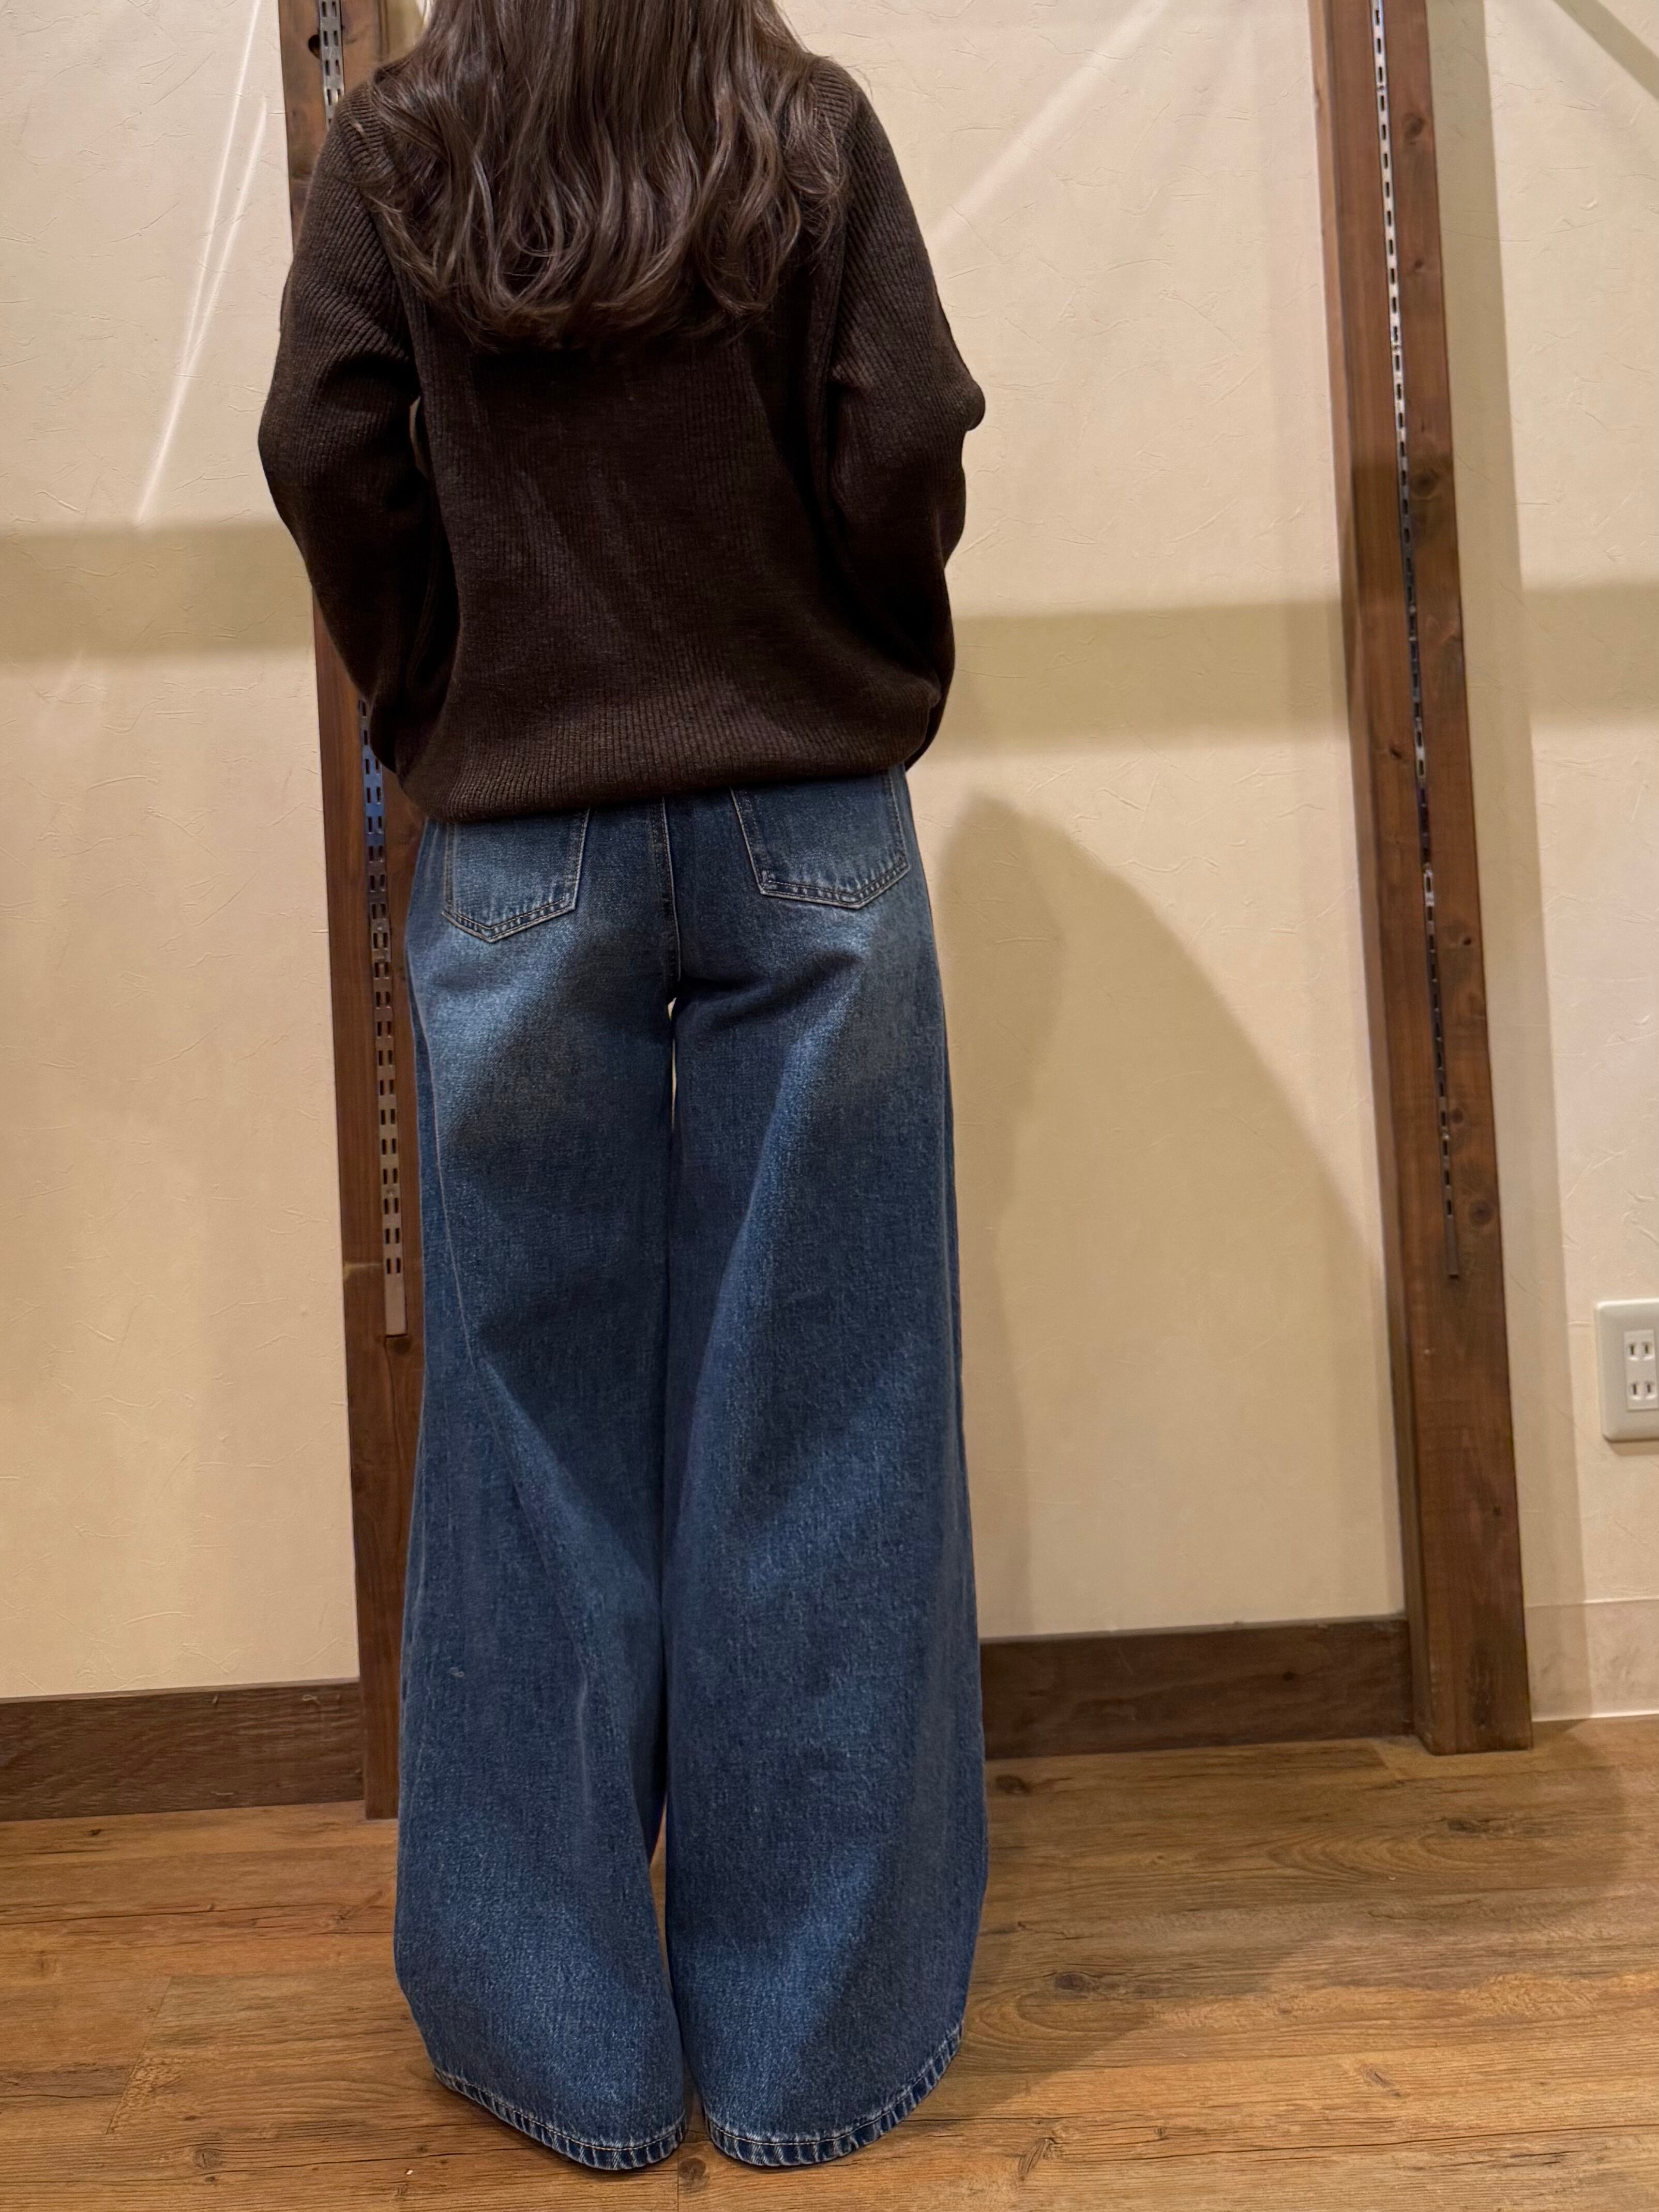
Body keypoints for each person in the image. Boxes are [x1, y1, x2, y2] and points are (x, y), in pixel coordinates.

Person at [260, 0, 987, 2173]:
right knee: (827, 1415)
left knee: (522, 1427)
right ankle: (807, 2053)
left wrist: (447, 696)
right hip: (808, 821)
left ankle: (558, 2043)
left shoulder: (404, 148)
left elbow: (324, 448)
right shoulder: (802, 126)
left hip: (522, 841)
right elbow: (904, 436)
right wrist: (846, 658)